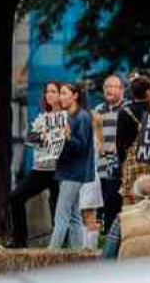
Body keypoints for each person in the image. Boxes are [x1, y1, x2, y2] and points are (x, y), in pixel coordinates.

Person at [8, 81, 62, 248]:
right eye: (47, 92)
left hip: (59, 168)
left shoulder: (66, 115)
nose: (49, 95)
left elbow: (59, 141)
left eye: (53, 91)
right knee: (16, 197)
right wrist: (43, 137)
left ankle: (61, 243)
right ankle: (19, 240)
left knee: (58, 206)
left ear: (61, 94)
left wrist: (47, 136)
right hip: (40, 168)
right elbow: (30, 138)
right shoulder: (42, 116)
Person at [49, 83, 95, 250]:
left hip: (74, 172)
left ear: (75, 95)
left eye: (64, 93)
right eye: (60, 94)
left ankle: (51, 253)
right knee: (74, 215)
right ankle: (77, 252)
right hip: (66, 170)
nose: (60, 97)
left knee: (61, 215)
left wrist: (68, 137)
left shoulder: (82, 116)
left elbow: (82, 146)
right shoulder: (66, 115)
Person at [117, 75, 150, 206]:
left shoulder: (124, 113)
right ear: (148, 92)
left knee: (129, 200)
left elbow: (120, 143)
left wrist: (122, 164)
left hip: (131, 163)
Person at [94, 74, 125, 234]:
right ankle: (106, 238)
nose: (109, 90)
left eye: (113, 86)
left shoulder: (127, 109)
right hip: (101, 166)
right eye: (106, 86)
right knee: (104, 204)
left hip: (121, 166)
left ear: (122, 90)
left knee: (117, 203)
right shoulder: (98, 110)